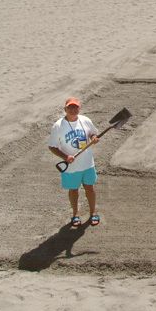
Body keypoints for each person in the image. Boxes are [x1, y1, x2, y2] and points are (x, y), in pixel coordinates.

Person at [47, 97, 101, 228]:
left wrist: (93, 138)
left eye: (75, 107)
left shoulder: (85, 120)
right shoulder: (58, 126)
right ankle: (75, 214)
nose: (73, 110)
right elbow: (52, 146)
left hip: (88, 163)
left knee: (90, 188)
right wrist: (65, 157)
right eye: (70, 107)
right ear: (65, 109)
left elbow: (93, 133)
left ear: (79, 108)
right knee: (73, 190)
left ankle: (93, 212)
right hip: (71, 167)